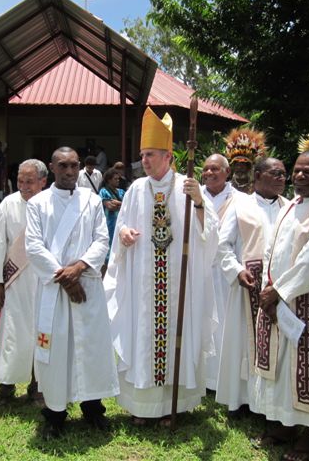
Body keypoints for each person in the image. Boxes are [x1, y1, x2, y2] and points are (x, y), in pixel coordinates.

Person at [104, 107, 219, 425]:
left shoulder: (187, 186)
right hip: (144, 282)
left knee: (176, 337)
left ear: (168, 156)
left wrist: (198, 203)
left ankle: (174, 406)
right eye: (142, 154)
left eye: (151, 154)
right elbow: (122, 228)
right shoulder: (137, 189)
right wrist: (124, 234)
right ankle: (143, 406)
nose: (145, 160)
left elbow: (211, 234)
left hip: (179, 283)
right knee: (144, 334)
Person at [252, 149, 309, 460]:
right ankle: (283, 425)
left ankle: (308, 437)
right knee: (280, 369)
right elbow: (272, 249)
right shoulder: (290, 206)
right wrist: (269, 283)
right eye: (297, 171)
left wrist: (279, 290)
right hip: (278, 299)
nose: (300, 176)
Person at [25, 147, 119, 438]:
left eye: (74, 166)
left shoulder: (91, 201)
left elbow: (102, 240)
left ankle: (93, 409)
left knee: (90, 347)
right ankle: (55, 413)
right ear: (52, 168)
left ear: (81, 167)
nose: (69, 172)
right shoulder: (38, 203)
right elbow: (33, 246)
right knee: (56, 351)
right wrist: (65, 277)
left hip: (87, 284)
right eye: (63, 166)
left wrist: (78, 267)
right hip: (55, 290)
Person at [215, 157, 288, 416]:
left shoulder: (289, 207)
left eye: (283, 174)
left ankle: (269, 402)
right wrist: (236, 270)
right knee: (242, 342)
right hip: (247, 283)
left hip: (278, 289)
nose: (281, 178)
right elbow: (222, 245)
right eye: (275, 173)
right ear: (258, 175)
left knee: (275, 347)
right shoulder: (239, 205)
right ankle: (241, 399)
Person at [0, 159, 48, 405]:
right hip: (15, 281)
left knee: (42, 333)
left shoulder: (50, 205)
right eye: (21, 181)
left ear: (43, 182)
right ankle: (7, 385)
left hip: (44, 280)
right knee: (13, 332)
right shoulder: (8, 204)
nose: (24, 186)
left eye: (30, 181)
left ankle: (38, 384)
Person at [200, 153, 237, 391]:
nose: (210, 173)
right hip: (198, 270)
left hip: (224, 274)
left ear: (227, 172)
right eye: (206, 169)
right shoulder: (191, 195)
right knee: (200, 320)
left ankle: (220, 378)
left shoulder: (240, 199)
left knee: (223, 323)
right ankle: (200, 377)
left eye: (216, 169)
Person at [224, 128, 267, 194]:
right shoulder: (224, 188)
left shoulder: (258, 189)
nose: (239, 168)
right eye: (237, 164)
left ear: (249, 167)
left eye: (242, 165)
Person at [99, 167, 125, 259]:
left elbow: (128, 205)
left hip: (122, 223)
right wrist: (122, 204)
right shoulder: (104, 191)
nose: (118, 181)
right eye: (115, 179)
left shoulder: (121, 192)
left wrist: (119, 203)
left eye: (118, 179)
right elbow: (110, 206)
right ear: (109, 180)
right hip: (110, 223)